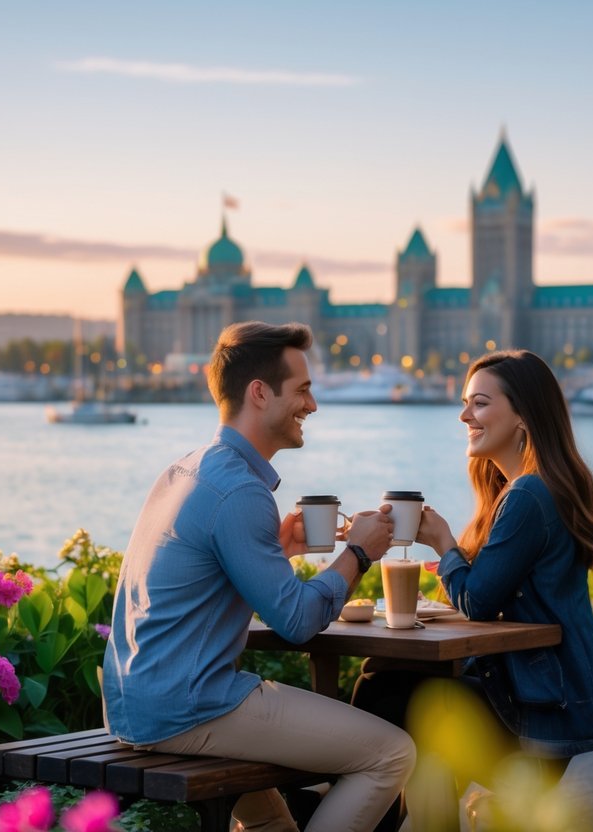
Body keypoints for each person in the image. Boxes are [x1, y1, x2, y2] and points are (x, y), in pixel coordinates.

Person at [102, 321, 415, 832]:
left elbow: (200, 584)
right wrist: (359, 552)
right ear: (259, 393)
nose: (312, 406)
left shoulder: (186, 469)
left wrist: (279, 550)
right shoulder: (241, 492)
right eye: (303, 390)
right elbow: (296, 621)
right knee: (390, 754)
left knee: (273, 824)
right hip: (190, 707)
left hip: (135, 702)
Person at [353, 349, 593, 826]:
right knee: (395, 690)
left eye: (479, 403)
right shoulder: (539, 488)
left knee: (385, 686)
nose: (464, 415)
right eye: (465, 403)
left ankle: (358, 811)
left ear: (522, 416)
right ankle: (375, 809)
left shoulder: (529, 495)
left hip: (541, 713)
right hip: (558, 696)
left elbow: (476, 602)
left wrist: (444, 542)